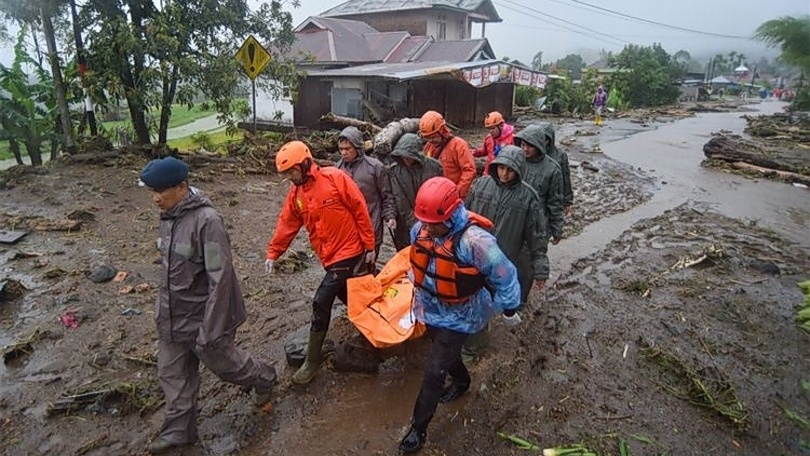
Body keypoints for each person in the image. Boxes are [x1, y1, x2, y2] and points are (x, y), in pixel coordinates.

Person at [140, 157, 278, 455]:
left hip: (204, 318)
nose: (155, 198)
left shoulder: (207, 221)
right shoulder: (168, 217)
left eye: (160, 191)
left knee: (228, 367)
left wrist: (212, 327)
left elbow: (220, 276)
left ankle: (265, 378)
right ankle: (179, 432)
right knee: (173, 376)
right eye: (152, 191)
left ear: (181, 187)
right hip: (172, 318)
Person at [398, 176, 522, 453]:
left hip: (460, 313)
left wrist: (510, 307)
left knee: (433, 371)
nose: (428, 227)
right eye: (424, 221)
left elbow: (505, 274)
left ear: (451, 212)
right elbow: (419, 258)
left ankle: (418, 429)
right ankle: (463, 380)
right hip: (429, 307)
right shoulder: (420, 229)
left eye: (434, 222)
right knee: (443, 354)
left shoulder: (475, 241)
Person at [265, 141, 376, 385]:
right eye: (286, 175)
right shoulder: (296, 195)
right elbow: (287, 225)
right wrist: (273, 253)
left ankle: (311, 362)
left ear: (304, 164)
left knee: (321, 301)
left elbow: (360, 209)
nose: (290, 178)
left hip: (350, 251)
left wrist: (369, 246)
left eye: (291, 172)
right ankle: (375, 334)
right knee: (350, 297)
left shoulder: (335, 178)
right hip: (329, 256)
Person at [336, 126, 397, 257]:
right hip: (347, 229)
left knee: (368, 265)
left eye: (347, 149)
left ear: (357, 148)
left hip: (372, 224)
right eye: (341, 149)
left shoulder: (375, 167)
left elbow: (386, 195)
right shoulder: (338, 168)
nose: (344, 153)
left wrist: (390, 216)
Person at [387, 133, 443, 251]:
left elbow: (440, 193)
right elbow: (400, 200)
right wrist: (416, 224)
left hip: (431, 219)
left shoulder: (434, 167)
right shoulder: (395, 171)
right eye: (402, 156)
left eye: (408, 156)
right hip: (404, 224)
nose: (405, 159)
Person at [514, 125, 565, 245]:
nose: (525, 149)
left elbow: (555, 202)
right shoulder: (516, 162)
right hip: (515, 219)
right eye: (522, 145)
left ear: (539, 145)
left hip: (537, 222)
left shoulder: (552, 169)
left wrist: (557, 229)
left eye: (530, 146)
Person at [419, 110, 477, 199]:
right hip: (436, 195)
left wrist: (457, 192)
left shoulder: (458, 145)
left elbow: (469, 170)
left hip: (455, 196)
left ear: (442, 130)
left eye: (433, 137)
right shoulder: (429, 147)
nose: (430, 140)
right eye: (428, 138)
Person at [537, 122, 573, 215]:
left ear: (550, 139)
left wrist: (567, 201)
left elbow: (566, 177)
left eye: (545, 138)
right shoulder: (535, 154)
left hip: (556, 194)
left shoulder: (560, 155)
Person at [472, 111, 515, 176]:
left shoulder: (512, 139)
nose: (490, 131)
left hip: (503, 175)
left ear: (501, 125)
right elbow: (484, 151)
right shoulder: (489, 138)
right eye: (488, 129)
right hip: (488, 174)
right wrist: (473, 152)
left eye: (492, 128)